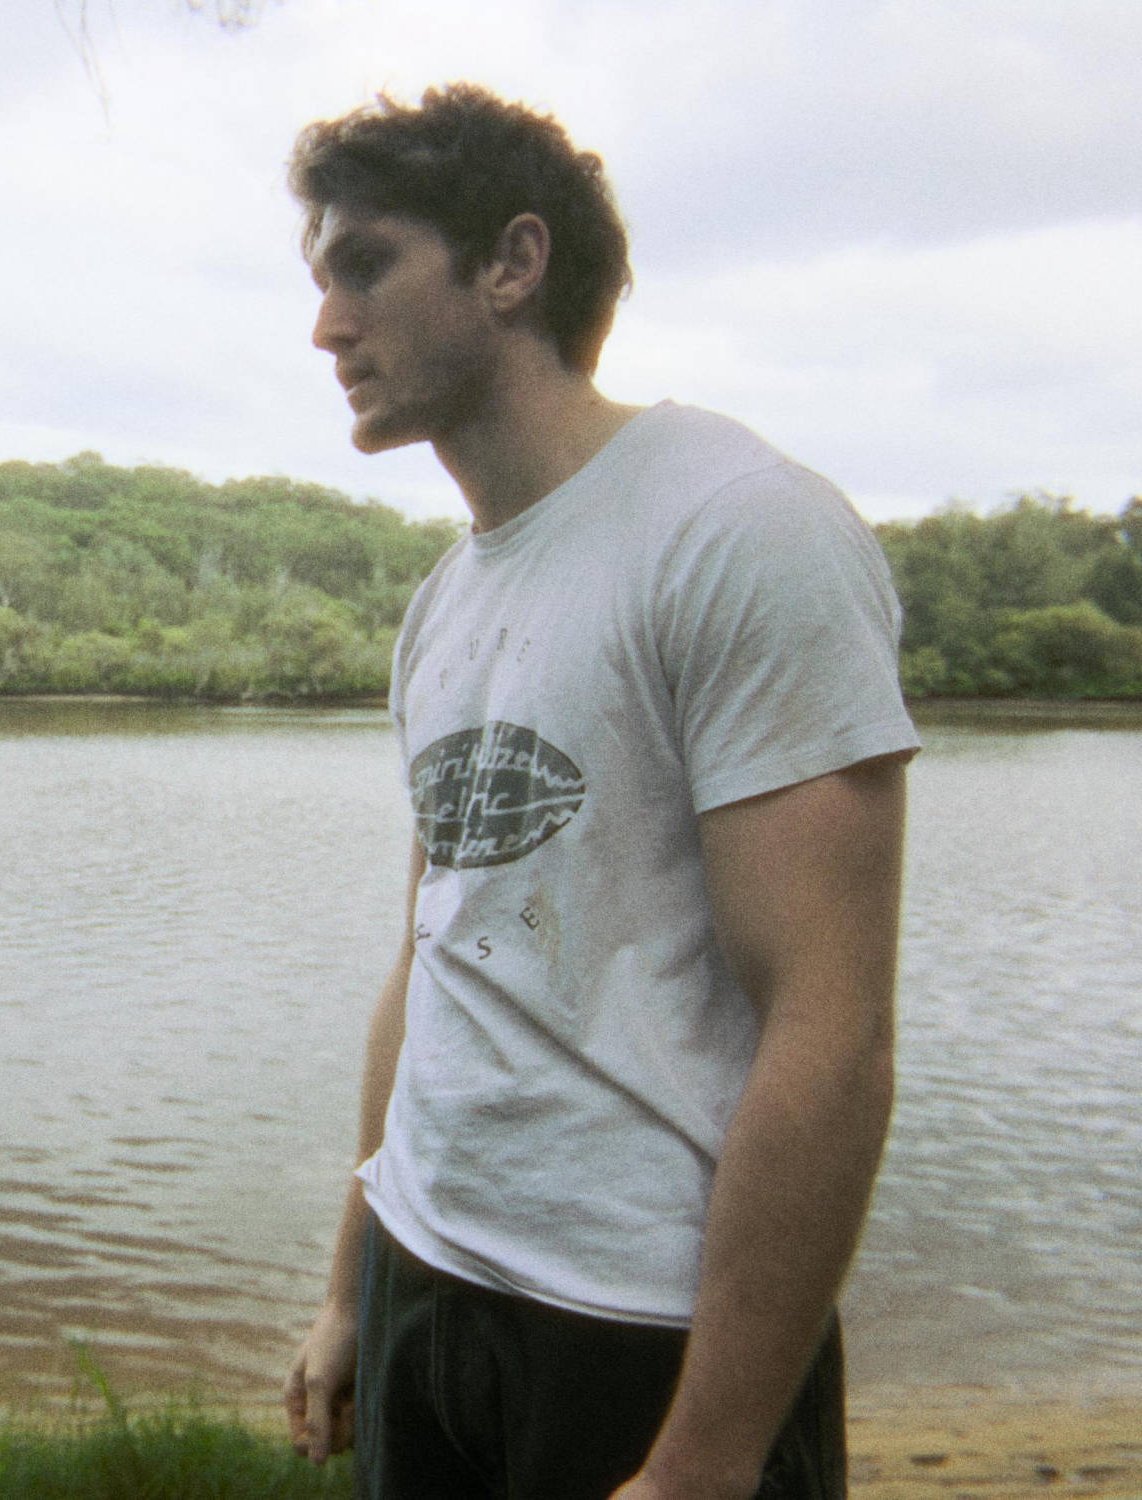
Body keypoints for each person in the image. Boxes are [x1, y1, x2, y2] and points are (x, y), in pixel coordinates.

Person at [279, 86, 918, 1499]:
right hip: (423, 1276)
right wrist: (348, 1285)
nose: (326, 326)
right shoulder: (445, 600)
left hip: (639, 1323)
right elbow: (434, 955)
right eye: (320, 279)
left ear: (513, 263)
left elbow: (831, 1028)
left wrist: (705, 1462)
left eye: (366, 265)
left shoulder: (738, 529)